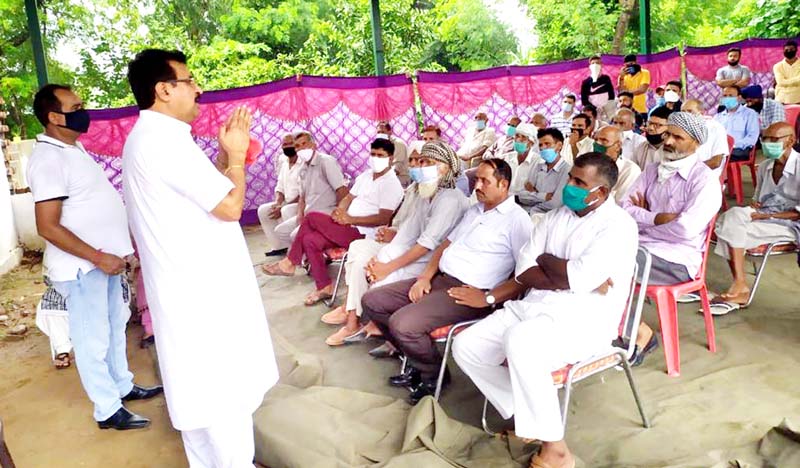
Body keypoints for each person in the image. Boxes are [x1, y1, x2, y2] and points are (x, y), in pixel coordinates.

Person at [123, 49, 277, 466]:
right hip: (202, 299)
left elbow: (205, 193)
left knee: (202, 412)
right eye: (190, 81)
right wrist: (239, 159)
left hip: (189, 292)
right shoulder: (162, 141)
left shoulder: (159, 139)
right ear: (164, 89)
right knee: (223, 407)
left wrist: (228, 158)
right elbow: (228, 207)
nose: (198, 90)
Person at [453, 152, 637, 468]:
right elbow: (525, 270)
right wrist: (565, 273)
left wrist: (550, 263)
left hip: (583, 320)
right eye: (571, 178)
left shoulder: (618, 226)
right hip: (533, 305)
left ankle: (557, 449)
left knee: (521, 342)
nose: (570, 186)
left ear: (601, 192)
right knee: (466, 346)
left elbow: (574, 276)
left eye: (580, 182)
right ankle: (527, 416)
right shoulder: (556, 216)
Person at [28, 84, 162, 431]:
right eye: (77, 106)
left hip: (105, 263)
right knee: (92, 338)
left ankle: (122, 386)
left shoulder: (73, 149)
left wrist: (116, 253)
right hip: (82, 267)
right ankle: (106, 409)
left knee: (114, 327)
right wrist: (98, 257)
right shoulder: (48, 159)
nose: (84, 111)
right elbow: (47, 225)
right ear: (55, 116)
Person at [361, 158, 532, 403]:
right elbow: (444, 246)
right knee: (373, 300)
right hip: (440, 280)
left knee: (403, 324)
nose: (477, 186)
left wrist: (488, 298)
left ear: (503, 184)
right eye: (477, 180)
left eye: (485, 181)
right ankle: (414, 359)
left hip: (467, 293)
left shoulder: (517, 220)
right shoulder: (475, 210)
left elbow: (524, 274)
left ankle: (432, 375)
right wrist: (424, 277)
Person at [323, 141, 469, 345]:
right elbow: (406, 234)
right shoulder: (424, 192)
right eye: (418, 161)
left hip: (431, 262)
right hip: (413, 252)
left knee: (382, 277)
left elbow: (426, 245)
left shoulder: (451, 199)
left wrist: (386, 267)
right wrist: (381, 259)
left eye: (426, 162)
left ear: (443, 168)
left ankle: (372, 326)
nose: (419, 166)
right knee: (369, 255)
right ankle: (360, 320)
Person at [621, 112, 721, 365]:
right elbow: (624, 211)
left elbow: (686, 229)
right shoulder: (652, 171)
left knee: (609, 267)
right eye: (668, 134)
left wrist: (642, 220)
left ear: (695, 143)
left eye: (678, 137)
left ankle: (642, 334)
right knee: (596, 256)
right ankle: (622, 328)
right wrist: (658, 218)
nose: (668, 142)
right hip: (641, 247)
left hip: (677, 260)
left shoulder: (704, 181)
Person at [264, 138, 404, 305]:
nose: (375, 158)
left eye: (380, 155)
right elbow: (348, 197)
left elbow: (383, 218)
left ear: (391, 158)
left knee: (311, 217)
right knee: (310, 240)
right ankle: (324, 287)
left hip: (363, 234)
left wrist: (351, 218)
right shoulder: (365, 176)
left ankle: (290, 262)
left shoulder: (391, 183)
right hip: (346, 225)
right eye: (373, 154)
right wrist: (341, 210)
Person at [712, 123, 800, 308]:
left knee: (725, 229)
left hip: (789, 224)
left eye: (774, 140)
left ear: (791, 140)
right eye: (765, 139)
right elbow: (758, 200)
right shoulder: (765, 167)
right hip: (763, 215)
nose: (768, 143)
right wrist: (756, 207)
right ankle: (740, 285)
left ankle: (740, 285)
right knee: (731, 218)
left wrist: (764, 217)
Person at [256, 133, 305, 256]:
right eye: (284, 144)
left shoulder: (304, 162)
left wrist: (283, 206)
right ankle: (278, 246)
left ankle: (295, 249)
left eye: (291, 144)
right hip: (286, 202)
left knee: (286, 210)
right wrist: (278, 202)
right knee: (264, 210)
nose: (287, 146)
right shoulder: (283, 162)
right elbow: (280, 186)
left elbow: (304, 191)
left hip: (302, 203)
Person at [518, 128, 570, 217]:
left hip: (549, 218)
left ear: (559, 145)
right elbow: (522, 196)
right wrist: (544, 196)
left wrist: (533, 195)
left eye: (547, 144)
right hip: (527, 214)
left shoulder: (567, 170)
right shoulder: (537, 165)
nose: (543, 148)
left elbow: (555, 204)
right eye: (540, 145)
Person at [594, 125, 642, 204]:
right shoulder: (588, 165)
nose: (597, 144)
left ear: (618, 146)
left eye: (604, 140)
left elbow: (620, 203)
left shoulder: (630, 170)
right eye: (595, 140)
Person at [682, 99, 729, 174]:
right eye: (683, 112)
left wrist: (690, 171)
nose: (685, 115)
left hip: (705, 174)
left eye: (690, 111)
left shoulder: (715, 128)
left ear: (701, 112)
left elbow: (716, 162)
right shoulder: (680, 129)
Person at [715, 86, 760, 162]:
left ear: (739, 98)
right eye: (725, 96)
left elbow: (752, 136)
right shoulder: (718, 117)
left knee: (720, 158)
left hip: (740, 149)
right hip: (721, 149)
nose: (727, 98)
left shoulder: (750, 113)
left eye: (731, 96)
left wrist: (733, 145)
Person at [631, 106, 673, 170]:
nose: (651, 128)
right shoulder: (641, 148)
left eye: (658, 125)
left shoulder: (675, 151)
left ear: (670, 128)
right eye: (649, 123)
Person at [506, 123, 542, 198]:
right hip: (504, 200)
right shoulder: (507, 158)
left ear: (531, 143)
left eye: (524, 137)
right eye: (517, 136)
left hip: (524, 205)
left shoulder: (538, 163)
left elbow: (537, 195)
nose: (519, 140)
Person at [377, 121, 410, 186]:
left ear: (390, 132)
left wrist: (382, 177)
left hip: (401, 177)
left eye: (383, 132)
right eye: (378, 132)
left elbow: (397, 168)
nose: (380, 135)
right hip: (389, 177)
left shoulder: (398, 144)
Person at [774, 40, 800, 105]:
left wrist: (786, 82)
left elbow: (783, 82)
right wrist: (796, 80)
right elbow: (780, 82)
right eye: (786, 49)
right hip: (781, 99)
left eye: (791, 49)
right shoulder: (777, 66)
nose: (789, 51)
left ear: (796, 50)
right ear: (783, 51)